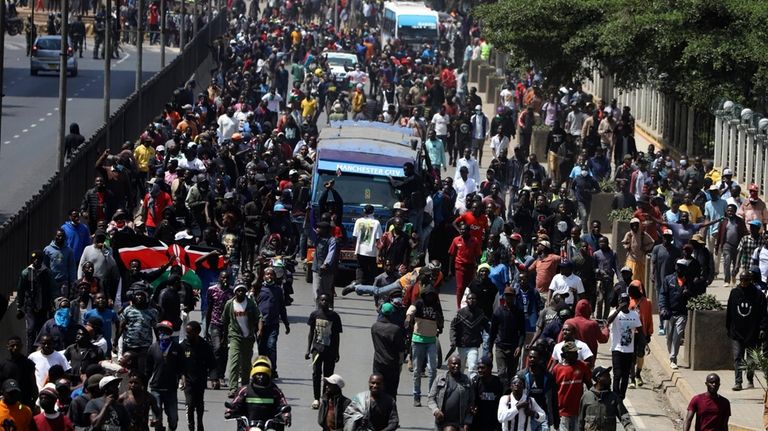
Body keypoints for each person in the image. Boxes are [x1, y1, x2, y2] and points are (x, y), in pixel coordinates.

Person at [726, 272, 767, 391]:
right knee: (737, 357)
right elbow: (729, 311)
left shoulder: (758, 295)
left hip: (752, 332)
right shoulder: (735, 293)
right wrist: (729, 328)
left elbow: (763, 314)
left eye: (746, 280)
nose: (743, 283)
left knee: (750, 359)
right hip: (737, 332)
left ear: (750, 280)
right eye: (742, 280)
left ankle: (750, 379)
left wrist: (762, 328)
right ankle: (738, 381)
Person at [222, 281, 262, 398]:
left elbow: (259, 317)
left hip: (248, 337)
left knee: (246, 365)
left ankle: (245, 387)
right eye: (238, 290)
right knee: (234, 362)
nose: (241, 293)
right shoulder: (230, 304)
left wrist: (259, 330)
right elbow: (225, 321)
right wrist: (224, 337)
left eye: (243, 290)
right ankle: (233, 388)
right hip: (235, 336)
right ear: (235, 292)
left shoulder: (250, 304)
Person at [406, 286, 444, 407]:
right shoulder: (419, 303)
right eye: (428, 295)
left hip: (431, 341)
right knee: (417, 370)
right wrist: (408, 318)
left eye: (432, 295)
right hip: (418, 340)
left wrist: (440, 323)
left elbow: (441, 319)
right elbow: (410, 310)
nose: (430, 297)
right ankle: (416, 395)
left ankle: (431, 396)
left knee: (432, 370)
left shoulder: (436, 305)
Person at [306, 293, 342, 409]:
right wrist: (308, 349)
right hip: (317, 350)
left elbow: (336, 336)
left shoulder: (335, 317)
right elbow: (311, 333)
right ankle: (316, 398)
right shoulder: (314, 315)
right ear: (318, 302)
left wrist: (337, 352)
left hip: (330, 351)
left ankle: (324, 397)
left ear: (330, 303)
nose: (324, 302)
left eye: (326, 300)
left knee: (328, 376)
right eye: (322, 300)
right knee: (316, 373)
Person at [146, 321, 182, 431]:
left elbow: (182, 367)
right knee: (157, 418)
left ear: (170, 333)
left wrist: (182, 379)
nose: (162, 332)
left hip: (171, 388)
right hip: (156, 387)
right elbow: (148, 369)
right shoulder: (153, 348)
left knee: (173, 418)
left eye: (165, 330)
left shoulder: (177, 348)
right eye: (160, 330)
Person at [17, 250, 56, 351]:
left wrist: (53, 304)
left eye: (38, 259)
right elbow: (20, 290)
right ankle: (30, 352)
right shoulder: (26, 273)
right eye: (34, 259)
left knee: (41, 329)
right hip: (30, 305)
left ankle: (39, 350)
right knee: (31, 329)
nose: (36, 261)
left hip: (43, 305)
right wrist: (19, 306)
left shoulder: (47, 272)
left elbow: (52, 289)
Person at [179, 321, 215, 431]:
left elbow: (212, 363)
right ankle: (191, 426)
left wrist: (214, 378)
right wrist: (182, 377)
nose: (187, 335)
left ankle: (200, 423)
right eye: (186, 333)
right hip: (188, 381)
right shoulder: (182, 346)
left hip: (200, 379)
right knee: (190, 404)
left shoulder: (205, 346)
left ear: (197, 332)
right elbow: (179, 364)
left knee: (199, 404)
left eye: (190, 333)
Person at [659, 259, 694, 369]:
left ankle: (673, 358)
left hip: (682, 313)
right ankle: (671, 354)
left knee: (677, 335)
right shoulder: (668, 279)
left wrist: (688, 294)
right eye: (678, 266)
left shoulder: (689, 281)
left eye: (681, 267)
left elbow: (694, 295)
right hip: (669, 313)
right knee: (669, 337)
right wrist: (663, 307)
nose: (679, 269)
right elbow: (663, 294)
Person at [489, 286, 526, 389]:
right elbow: (492, 332)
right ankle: (501, 393)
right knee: (502, 373)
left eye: (511, 296)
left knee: (512, 374)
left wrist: (519, 346)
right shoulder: (498, 312)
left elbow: (522, 332)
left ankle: (510, 394)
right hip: (500, 347)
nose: (509, 298)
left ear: (514, 297)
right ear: (504, 297)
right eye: (507, 296)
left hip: (514, 348)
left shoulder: (519, 312)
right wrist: (489, 350)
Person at [607, 293, 643, 399]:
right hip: (617, 349)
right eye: (621, 301)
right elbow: (608, 321)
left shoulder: (634, 314)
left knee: (625, 376)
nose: (623, 303)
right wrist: (618, 310)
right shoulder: (614, 312)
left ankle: (621, 397)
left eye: (625, 301)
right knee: (617, 374)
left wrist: (644, 343)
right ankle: (615, 396)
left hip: (629, 350)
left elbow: (640, 331)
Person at [257, 267, 290, 380]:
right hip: (260, 325)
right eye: (267, 274)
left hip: (273, 324)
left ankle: (273, 370)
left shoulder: (278, 290)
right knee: (262, 348)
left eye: (271, 275)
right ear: (264, 276)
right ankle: (262, 368)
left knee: (271, 345)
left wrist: (286, 323)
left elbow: (282, 307)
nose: (269, 276)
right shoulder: (259, 289)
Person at [578, 366, 635, 431]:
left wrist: (630, 428)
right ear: (598, 378)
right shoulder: (586, 397)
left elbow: (624, 416)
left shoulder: (614, 397)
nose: (610, 379)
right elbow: (580, 421)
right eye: (607, 376)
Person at [552, 341, 592, 431]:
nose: (576, 354)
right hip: (562, 412)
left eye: (576, 352)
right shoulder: (557, 369)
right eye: (573, 353)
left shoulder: (582, 366)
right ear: (565, 354)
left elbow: (589, 385)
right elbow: (553, 393)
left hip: (578, 411)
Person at [427, 356, 474, 431]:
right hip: (443, 420)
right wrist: (436, 411)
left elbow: (472, 403)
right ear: (448, 365)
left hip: (460, 421)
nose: (456, 366)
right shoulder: (440, 379)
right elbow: (431, 399)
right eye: (454, 364)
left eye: (458, 364)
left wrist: (467, 422)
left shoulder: (467, 381)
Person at [371, 302, 406, 399]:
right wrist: (400, 364)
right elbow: (401, 350)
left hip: (378, 363)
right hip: (392, 365)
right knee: (391, 392)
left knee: (377, 390)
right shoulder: (396, 329)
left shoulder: (375, 327)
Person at [450, 292, 489, 379]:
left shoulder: (480, 313)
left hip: (473, 346)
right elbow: (453, 326)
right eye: (470, 299)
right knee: (460, 369)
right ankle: (458, 387)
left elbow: (488, 327)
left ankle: (472, 389)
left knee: (472, 369)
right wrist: (453, 340)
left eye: (474, 299)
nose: (472, 300)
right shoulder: (460, 313)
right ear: (466, 301)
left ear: (477, 301)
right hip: (462, 346)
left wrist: (493, 336)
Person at [0, 336, 38, 408]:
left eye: (18, 345)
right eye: (12, 346)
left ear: (21, 346)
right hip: (8, 401)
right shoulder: (3, 364)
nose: (15, 348)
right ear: (8, 347)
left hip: (25, 400)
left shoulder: (28, 363)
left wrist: (34, 401)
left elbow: (33, 383)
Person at [352, 205, 383, 285]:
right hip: (371, 251)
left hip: (360, 250)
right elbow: (378, 239)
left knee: (360, 268)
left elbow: (354, 236)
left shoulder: (358, 221)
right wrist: (379, 252)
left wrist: (355, 249)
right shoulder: (376, 223)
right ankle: (371, 286)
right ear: (373, 212)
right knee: (372, 269)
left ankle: (359, 284)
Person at [471, 356, 504, 431]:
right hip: (478, 420)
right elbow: (472, 400)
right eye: (478, 368)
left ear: (490, 368)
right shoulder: (475, 382)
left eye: (482, 368)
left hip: (494, 421)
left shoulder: (499, 383)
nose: (479, 370)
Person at [312, 222, 338, 306]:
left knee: (326, 292)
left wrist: (326, 263)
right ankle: (318, 310)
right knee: (317, 290)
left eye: (319, 228)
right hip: (316, 269)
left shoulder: (332, 240)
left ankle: (328, 310)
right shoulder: (316, 238)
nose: (317, 230)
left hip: (327, 270)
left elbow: (331, 253)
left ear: (325, 230)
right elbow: (307, 229)